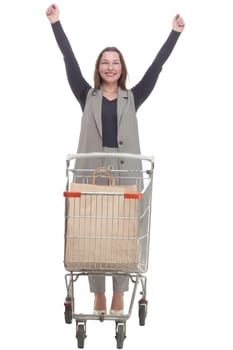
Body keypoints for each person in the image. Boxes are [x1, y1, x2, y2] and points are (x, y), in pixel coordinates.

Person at [46, 3, 185, 315]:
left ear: (122, 69)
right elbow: (69, 60)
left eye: (115, 63)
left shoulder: (133, 97)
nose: (110, 67)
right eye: (105, 63)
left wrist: (174, 34)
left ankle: (120, 293)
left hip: (125, 174)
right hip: (91, 171)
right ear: (99, 68)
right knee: (93, 231)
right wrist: (56, 23)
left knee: (121, 231)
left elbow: (156, 68)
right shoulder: (87, 95)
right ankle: (97, 294)